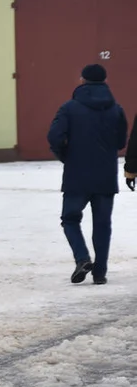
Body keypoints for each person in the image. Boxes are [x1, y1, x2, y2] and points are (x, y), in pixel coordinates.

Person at [47, 63, 128, 285]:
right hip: (105, 177)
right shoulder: (116, 109)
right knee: (103, 224)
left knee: (70, 219)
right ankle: (100, 273)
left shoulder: (69, 108)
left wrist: (66, 155)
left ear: (82, 80)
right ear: (104, 81)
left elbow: (54, 136)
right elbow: (121, 142)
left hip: (77, 176)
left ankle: (82, 258)